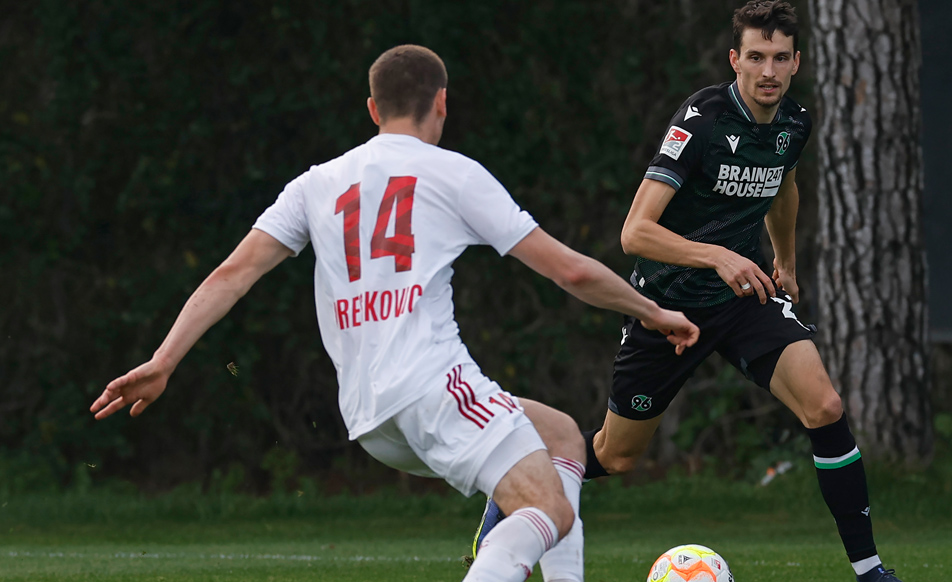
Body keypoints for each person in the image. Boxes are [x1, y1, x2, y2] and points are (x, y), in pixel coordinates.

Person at [90, 44, 699, 582]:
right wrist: (650, 310)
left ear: (373, 110)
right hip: (431, 386)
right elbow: (569, 269)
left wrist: (163, 360)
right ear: (441, 103)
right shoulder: (453, 173)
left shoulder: (315, 183)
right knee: (550, 512)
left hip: (368, 417)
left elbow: (233, 274)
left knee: (561, 432)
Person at [472, 2, 902, 581]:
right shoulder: (701, 120)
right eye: (756, 57)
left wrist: (786, 263)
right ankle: (518, 486)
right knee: (618, 454)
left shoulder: (795, 123)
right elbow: (635, 233)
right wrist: (717, 255)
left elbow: (783, 189)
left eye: (780, 58)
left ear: (797, 62)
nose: (768, 71)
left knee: (824, 405)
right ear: (735, 60)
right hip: (666, 307)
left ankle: (870, 570)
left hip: (743, 298)